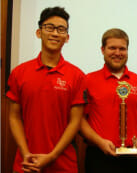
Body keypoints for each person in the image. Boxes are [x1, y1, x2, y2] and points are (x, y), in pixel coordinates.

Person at [6, 6, 86, 173]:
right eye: (49, 27)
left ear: (67, 37)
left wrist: (53, 155)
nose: (55, 33)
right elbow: (14, 116)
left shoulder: (77, 76)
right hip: (26, 162)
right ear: (39, 32)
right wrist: (25, 152)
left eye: (61, 29)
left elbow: (75, 122)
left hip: (64, 164)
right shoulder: (19, 72)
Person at [80, 28, 137, 173]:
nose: (117, 53)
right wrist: (99, 142)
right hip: (98, 156)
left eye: (122, 49)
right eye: (112, 48)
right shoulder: (87, 81)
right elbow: (80, 120)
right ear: (102, 50)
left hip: (133, 157)